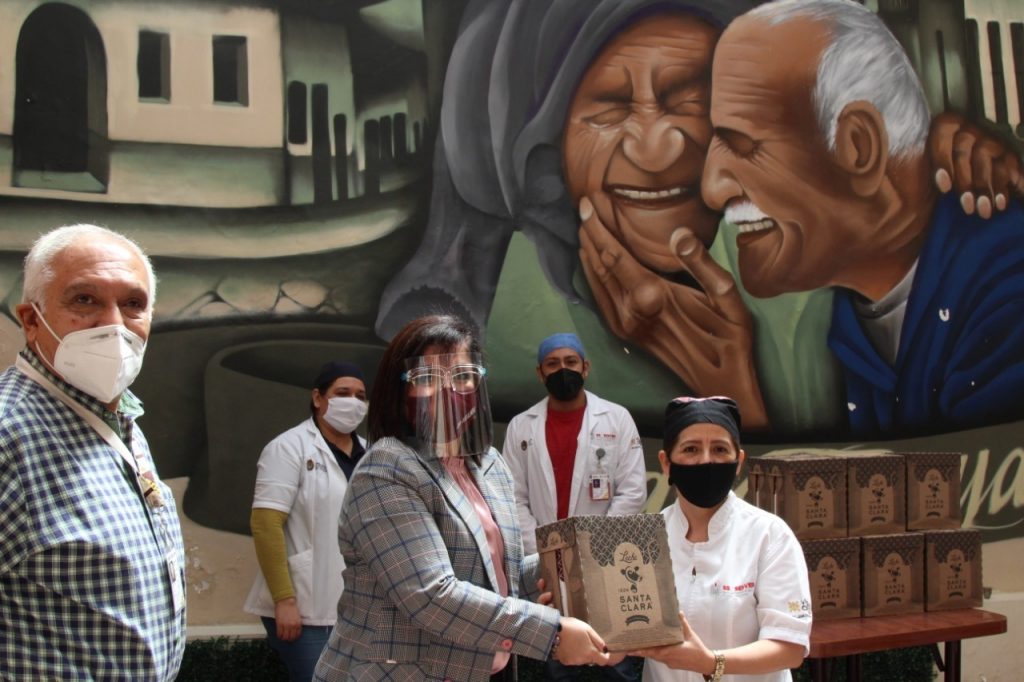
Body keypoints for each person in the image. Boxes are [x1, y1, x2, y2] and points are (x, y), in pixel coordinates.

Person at [698, 0, 1024, 435]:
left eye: (743, 145)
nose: (712, 188)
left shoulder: (1005, 284)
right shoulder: (856, 314)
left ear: (859, 146)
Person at [314, 315, 615, 681]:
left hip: (485, 670)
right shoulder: (387, 468)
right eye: (426, 378)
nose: (447, 391)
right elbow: (431, 595)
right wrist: (552, 633)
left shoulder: (489, 464)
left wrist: (567, 563)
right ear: (399, 389)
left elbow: (499, 578)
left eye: (461, 376)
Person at [0, 224, 185, 680]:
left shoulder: (119, 417)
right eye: (85, 300)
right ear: (30, 320)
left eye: (133, 304)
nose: (114, 325)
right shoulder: (8, 436)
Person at [630, 397, 811, 681]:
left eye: (719, 449)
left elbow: (790, 648)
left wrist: (711, 662)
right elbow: (623, 634)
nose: (706, 460)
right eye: (691, 449)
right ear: (666, 463)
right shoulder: (643, 539)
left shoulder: (770, 536)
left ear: (738, 462)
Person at [503, 332, 647, 681]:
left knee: (614, 659)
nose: (562, 370)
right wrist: (544, 553)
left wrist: (594, 548)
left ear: (586, 367)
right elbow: (513, 498)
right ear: (540, 373)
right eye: (552, 364)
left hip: (607, 560)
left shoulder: (617, 419)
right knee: (561, 659)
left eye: (570, 362)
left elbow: (632, 492)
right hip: (548, 566)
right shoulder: (521, 426)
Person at [244, 361, 369, 681]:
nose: (353, 402)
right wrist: (284, 600)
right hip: (302, 605)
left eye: (360, 396)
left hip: (358, 607)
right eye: (342, 393)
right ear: (317, 398)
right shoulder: (288, 448)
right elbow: (265, 525)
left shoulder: (371, 454)